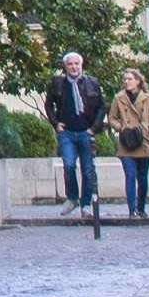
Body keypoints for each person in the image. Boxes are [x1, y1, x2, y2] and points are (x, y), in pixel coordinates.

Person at [41, 51, 106, 216]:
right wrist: (55, 123)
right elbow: (49, 105)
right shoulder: (58, 83)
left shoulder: (92, 83)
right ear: (65, 67)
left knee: (88, 169)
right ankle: (72, 198)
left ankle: (86, 204)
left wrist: (94, 128)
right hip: (67, 133)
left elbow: (102, 107)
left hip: (86, 132)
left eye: (76, 64)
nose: (74, 67)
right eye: (70, 64)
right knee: (69, 165)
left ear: (81, 65)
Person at [108, 68, 149, 218]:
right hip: (126, 142)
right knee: (130, 175)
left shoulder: (148, 97)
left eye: (130, 79)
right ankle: (132, 210)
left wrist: (148, 128)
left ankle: (141, 208)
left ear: (138, 81)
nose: (126, 82)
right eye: (125, 79)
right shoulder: (119, 98)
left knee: (142, 177)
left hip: (143, 141)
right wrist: (121, 128)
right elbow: (112, 118)